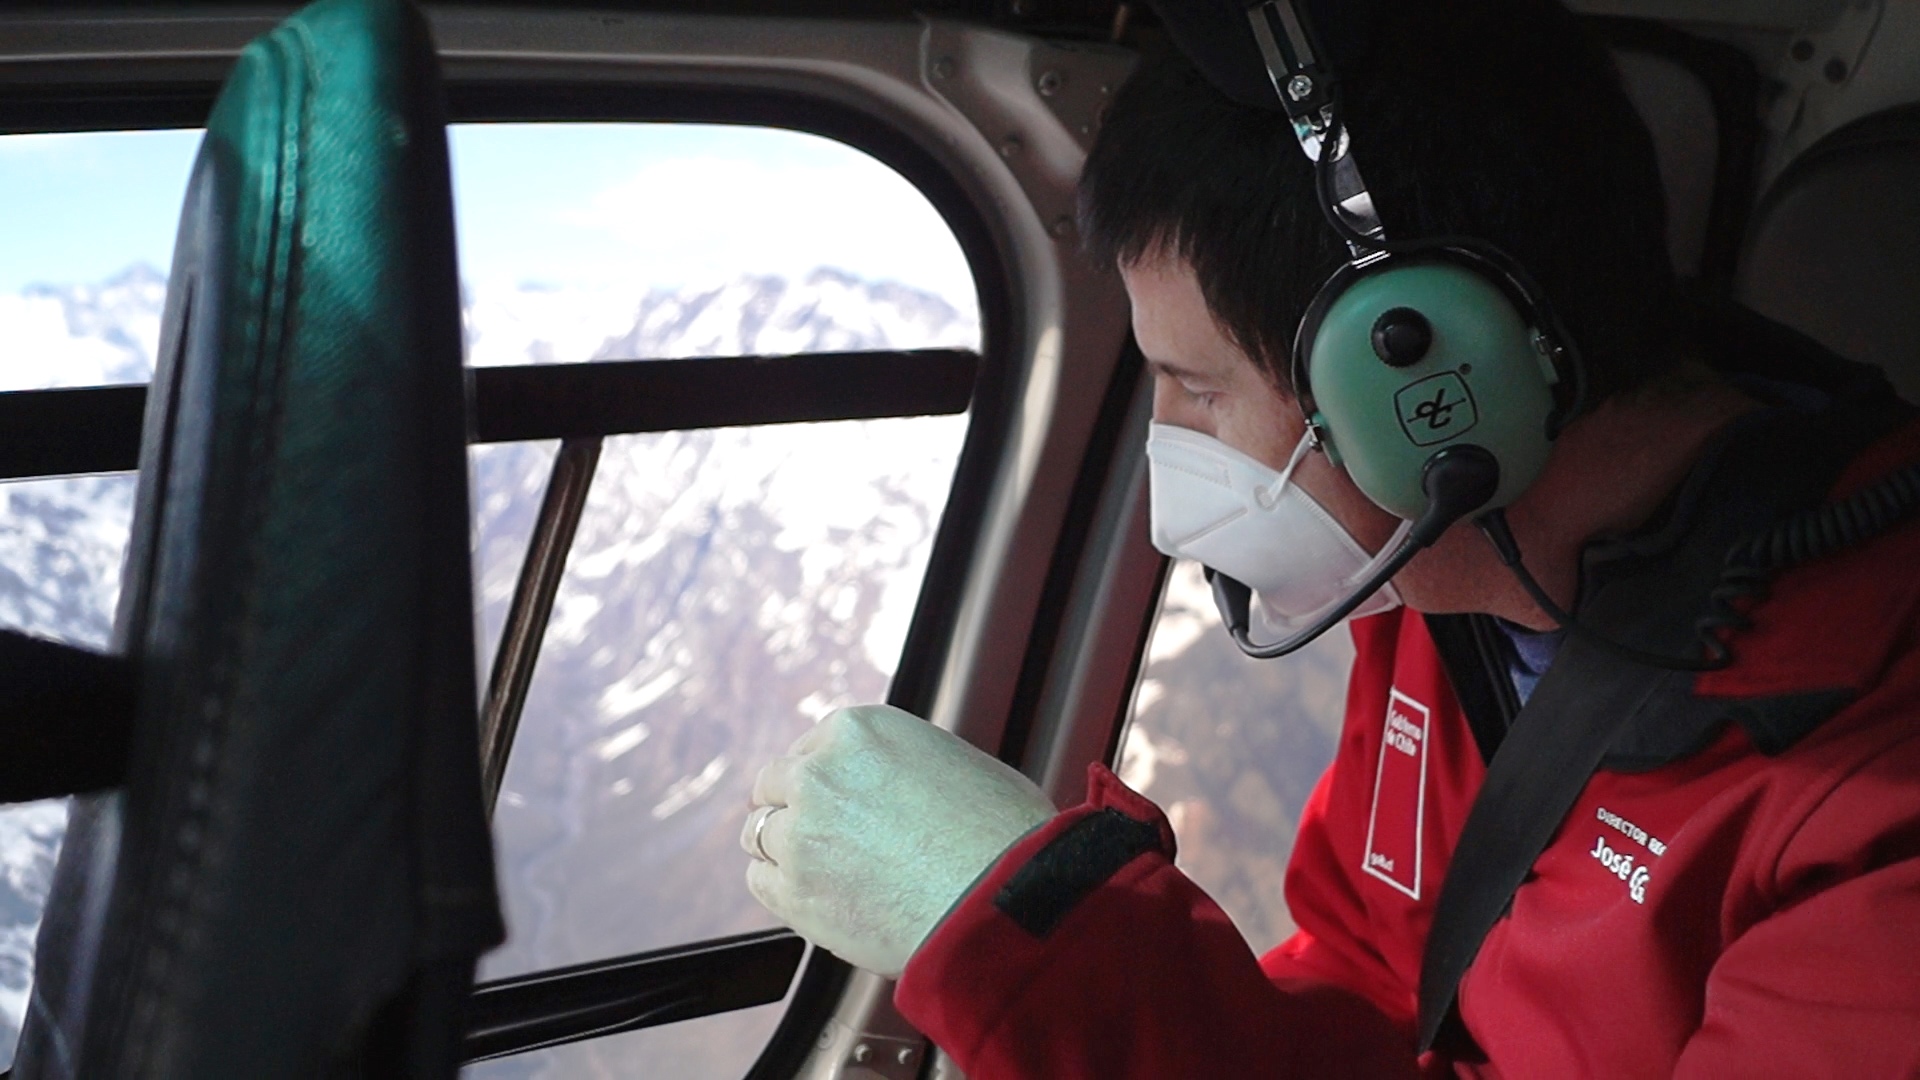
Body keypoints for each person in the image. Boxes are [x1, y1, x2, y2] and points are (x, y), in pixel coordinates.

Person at [740, 0, 1920, 1074]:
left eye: (1196, 391)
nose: (1168, 457)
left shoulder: (1874, 817)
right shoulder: (1444, 588)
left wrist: (1037, 935)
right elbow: (1374, 995)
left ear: (1424, 378)